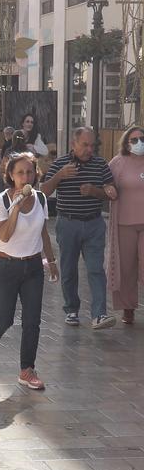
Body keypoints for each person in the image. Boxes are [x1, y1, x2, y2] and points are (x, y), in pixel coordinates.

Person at [0, 151, 59, 391]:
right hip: (5, 265)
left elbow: (43, 232)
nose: (26, 177)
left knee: (32, 320)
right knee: (5, 318)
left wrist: (52, 261)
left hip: (33, 266)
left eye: (29, 172)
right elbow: (4, 234)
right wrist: (15, 206)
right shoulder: (1, 200)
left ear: (36, 173)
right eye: (20, 173)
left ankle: (27, 369)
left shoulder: (42, 199)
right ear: (11, 176)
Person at [42, 126, 118, 330]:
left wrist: (96, 191)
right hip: (68, 223)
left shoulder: (100, 164)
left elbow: (111, 192)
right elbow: (43, 192)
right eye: (85, 145)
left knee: (96, 269)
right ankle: (71, 310)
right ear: (73, 145)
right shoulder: (60, 164)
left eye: (92, 145)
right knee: (68, 269)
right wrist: (59, 176)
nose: (89, 149)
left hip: (93, 223)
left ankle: (99, 314)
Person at [107, 123, 144, 326]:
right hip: (125, 223)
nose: (140, 143)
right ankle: (128, 308)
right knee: (127, 267)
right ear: (127, 143)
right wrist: (109, 189)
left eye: (143, 139)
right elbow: (106, 182)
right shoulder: (118, 162)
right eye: (135, 140)